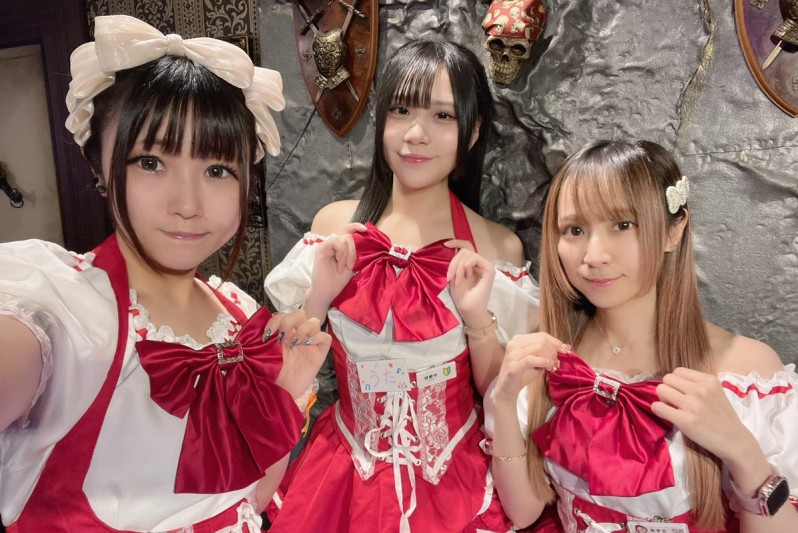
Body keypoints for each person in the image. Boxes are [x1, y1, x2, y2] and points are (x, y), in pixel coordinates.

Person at [0, 15, 331, 532]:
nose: (188, 204)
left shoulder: (240, 316)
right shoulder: (64, 313)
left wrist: (285, 391)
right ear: (98, 163)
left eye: (217, 170)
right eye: (151, 162)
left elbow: (253, 501)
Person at [263, 40, 540, 532]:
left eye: (443, 116)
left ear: (473, 130)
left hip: (456, 481)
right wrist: (319, 298)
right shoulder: (334, 228)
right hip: (342, 474)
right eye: (401, 110)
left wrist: (477, 318)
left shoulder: (496, 249)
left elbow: (498, 391)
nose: (415, 134)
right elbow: (285, 369)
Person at [485, 139, 798, 532]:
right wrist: (504, 400)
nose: (594, 256)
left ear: (673, 230)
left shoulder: (748, 371)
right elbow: (524, 512)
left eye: (622, 225)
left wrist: (742, 452)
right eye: (575, 229)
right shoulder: (551, 356)